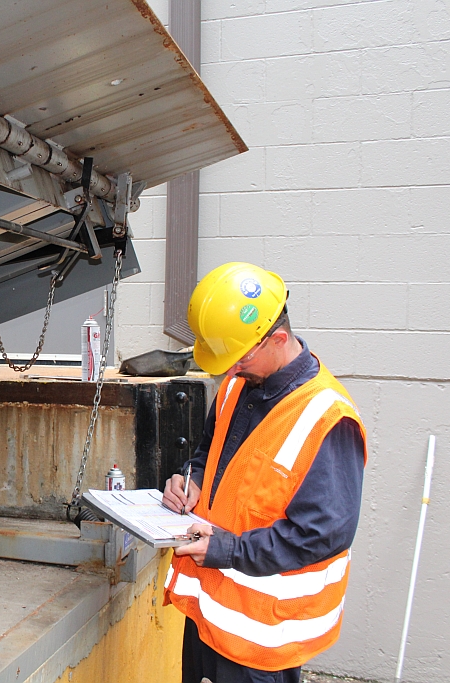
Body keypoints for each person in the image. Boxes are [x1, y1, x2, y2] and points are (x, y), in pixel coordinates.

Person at [161, 262, 367, 683]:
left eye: (238, 359)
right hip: (209, 616)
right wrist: (191, 478)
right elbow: (207, 453)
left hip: (262, 639)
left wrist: (226, 550)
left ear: (277, 338)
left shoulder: (327, 418)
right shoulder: (238, 385)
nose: (231, 371)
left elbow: (322, 534)